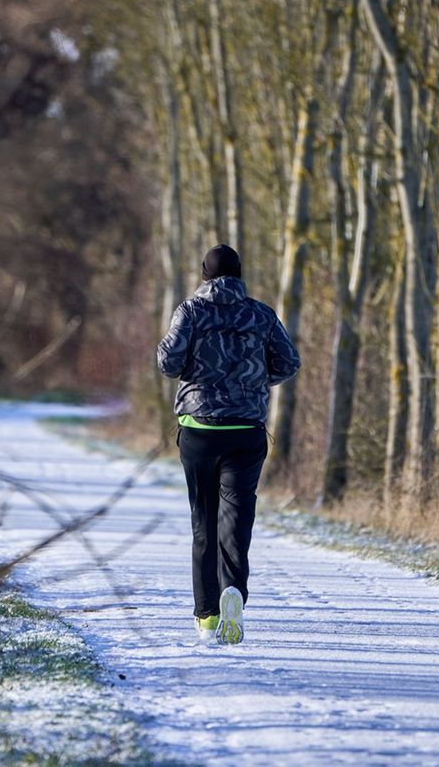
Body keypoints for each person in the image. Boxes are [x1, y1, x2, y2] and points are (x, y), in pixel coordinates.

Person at [155, 244, 301, 644]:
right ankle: (233, 592)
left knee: (203, 523)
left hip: (199, 430)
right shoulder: (261, 313)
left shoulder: (190, 311)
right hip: (246, 432)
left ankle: (206, 617)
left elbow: (168, 363)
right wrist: (251, 384)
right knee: (235, 523)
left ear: (204, 273)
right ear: (239, 274)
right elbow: (288, 363)